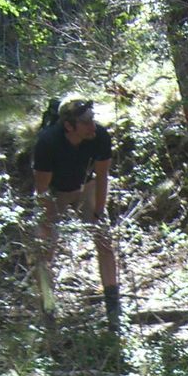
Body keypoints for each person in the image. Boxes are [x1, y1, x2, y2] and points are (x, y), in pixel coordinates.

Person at [32, 97, 121, 329]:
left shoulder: (99, 136)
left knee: (104, 240)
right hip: (55, 192)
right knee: (44, 248)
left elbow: (102, 177)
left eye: (93, 119)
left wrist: (99, 214)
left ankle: (114, 310)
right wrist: (48, 226)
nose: (93, 126)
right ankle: (48, 310)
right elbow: (41, 191)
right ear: (69, 126)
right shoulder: (47, 142)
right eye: (86, 122)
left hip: (87, 186)